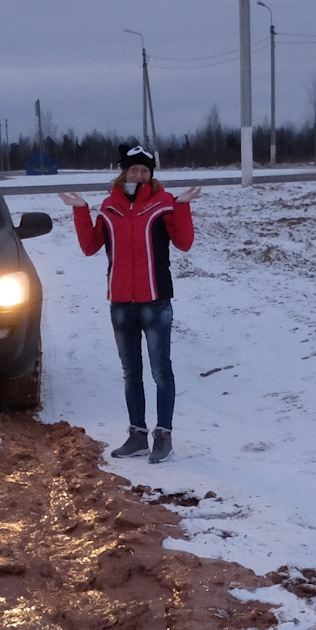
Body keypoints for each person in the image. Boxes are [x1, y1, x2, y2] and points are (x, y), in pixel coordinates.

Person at [62, 146, 201, 464]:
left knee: (160, 371)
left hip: (155, 301)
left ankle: (162, 435)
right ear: (123, 172)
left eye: (145, 170)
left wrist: (182, 207)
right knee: (131, 373)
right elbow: (89, 246)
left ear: (151, 174)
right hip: (121, 303)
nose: (140, 175)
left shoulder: (164, 203)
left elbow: (184, 242)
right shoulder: (109, 206)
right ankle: (137, 435)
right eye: (134, 169)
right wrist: (81, 209)